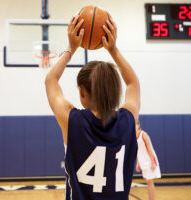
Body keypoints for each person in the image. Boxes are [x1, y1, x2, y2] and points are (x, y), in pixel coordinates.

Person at [45, 14, 140, 200]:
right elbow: (133, 83)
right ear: (115, 90)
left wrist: (71, 49)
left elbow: (50, 81)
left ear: (82, 92)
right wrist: (113, 49)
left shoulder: (72, 121)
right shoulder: (128, 120)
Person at [136, 121, 161, 200]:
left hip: (149, 161)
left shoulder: (144, 135)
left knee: (150, 182)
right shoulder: (133, 137)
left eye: (135, 124)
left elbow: (150, 149)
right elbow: (137, 151)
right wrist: (138, 163)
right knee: (148, 182)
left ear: (138, 125)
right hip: (143, 162)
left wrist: (153, 162)